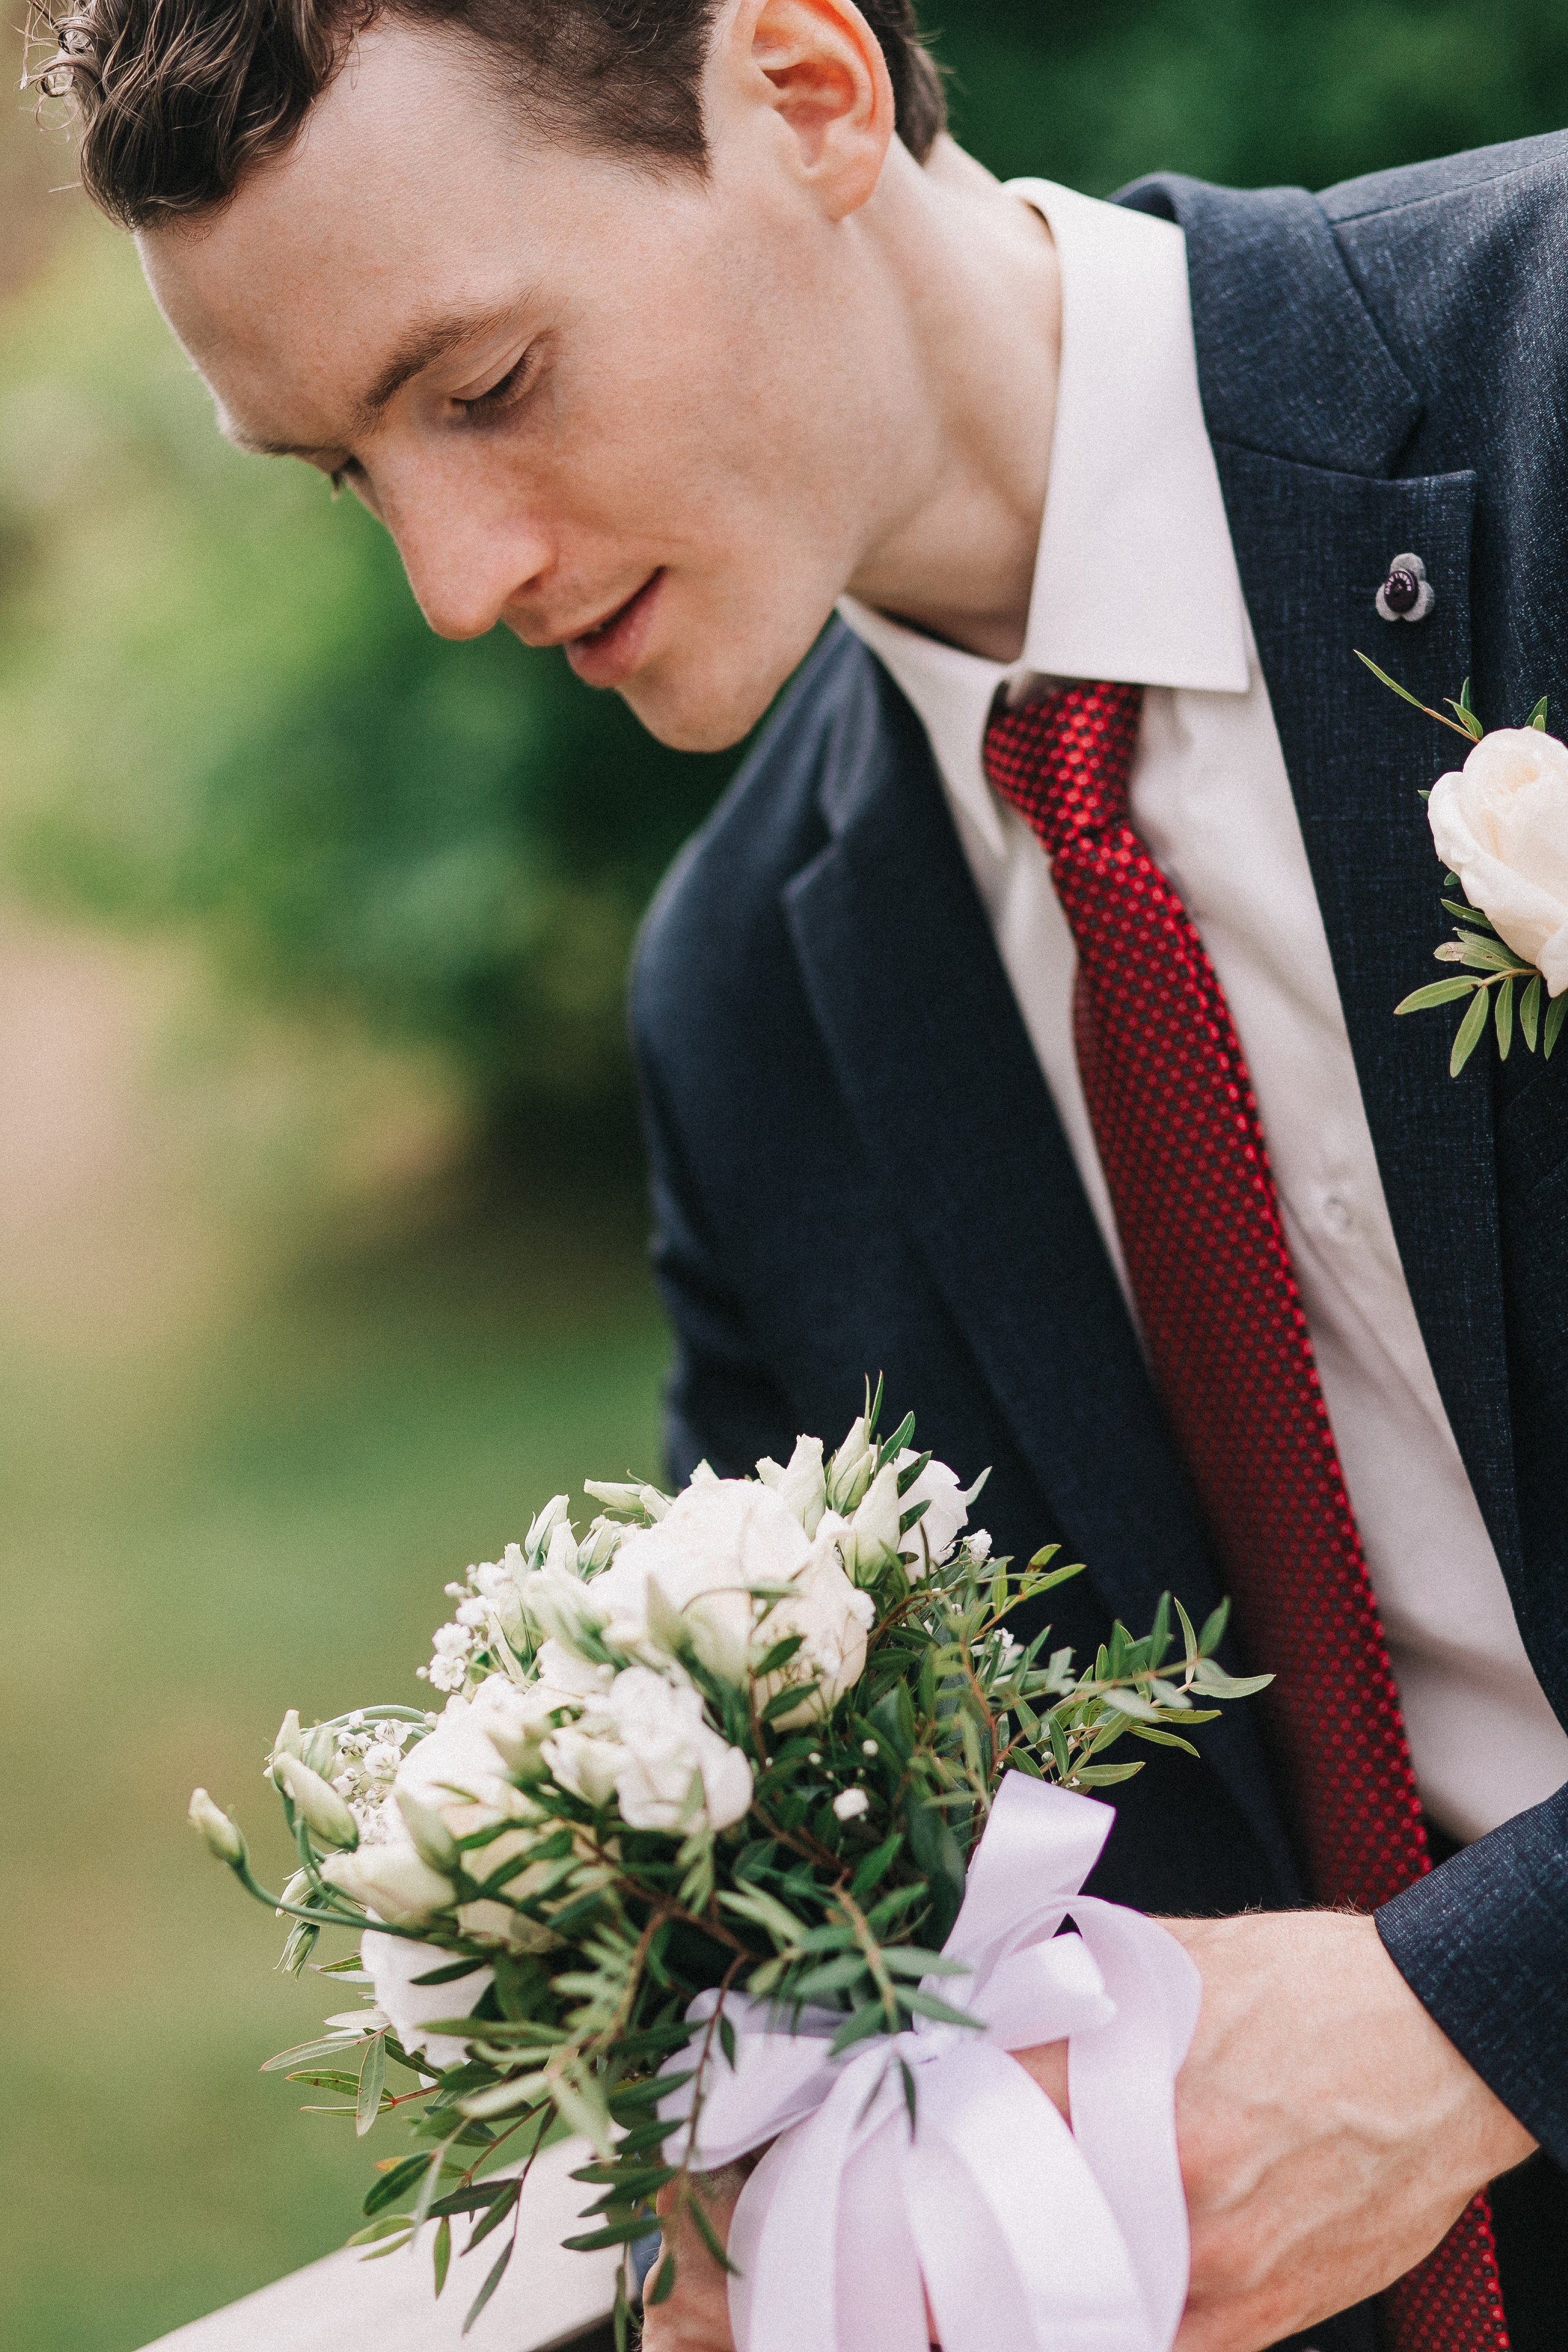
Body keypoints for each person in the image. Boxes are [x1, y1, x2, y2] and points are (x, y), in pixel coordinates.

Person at [30, 0, 1567, 2345]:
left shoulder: (1548, 371)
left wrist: (1481, 2015)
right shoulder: (746, 1000)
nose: (449, 579)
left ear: (808, 92)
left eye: (483, 387)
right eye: (346, 470)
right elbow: (873, 1900)